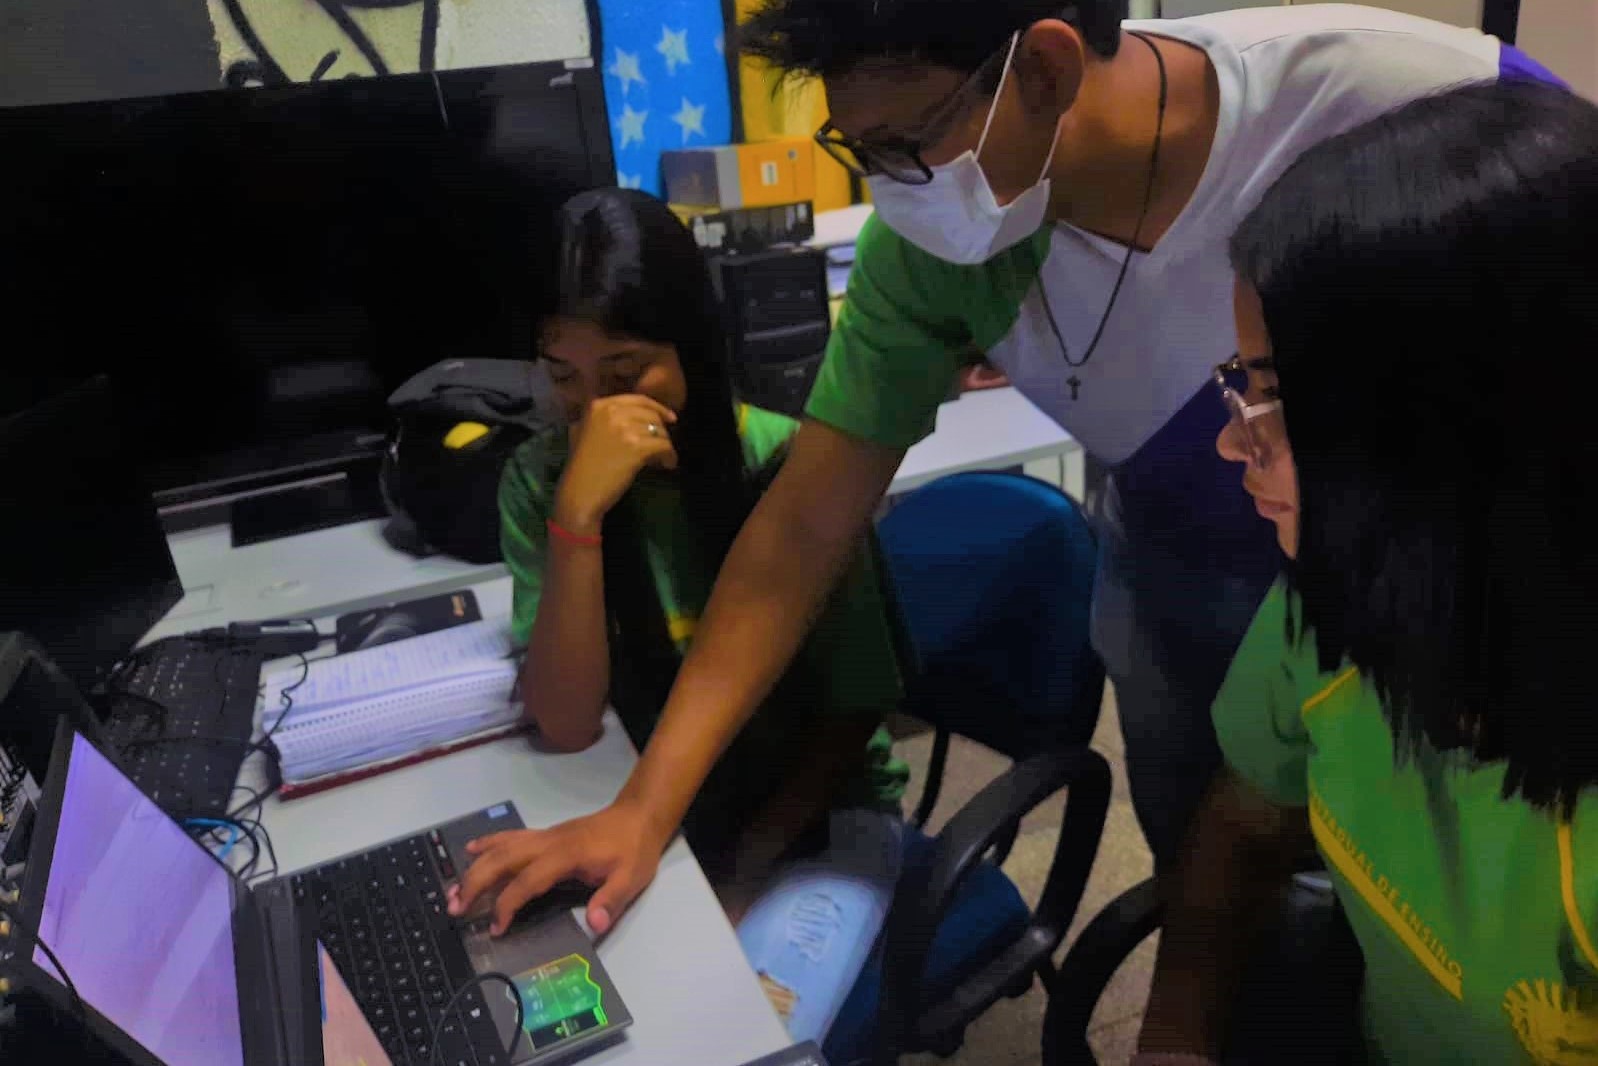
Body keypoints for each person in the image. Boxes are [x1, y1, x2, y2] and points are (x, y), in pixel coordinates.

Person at [464, 2, 1561, 924]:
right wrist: (641, 813)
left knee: (1471, 895)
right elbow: (801, 529)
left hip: (1436, 597)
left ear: (1042, 67)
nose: (891, 190)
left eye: (906, 144)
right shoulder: (930, 251)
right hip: (1183, 568)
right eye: (859, 153)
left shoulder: (1403, 101)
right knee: (1225, 877)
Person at [1138, 79, 1598, 1064]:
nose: (1232, 442)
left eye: (1271, 397)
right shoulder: (1335, 600)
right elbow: (1245, 821)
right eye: (1240, 385)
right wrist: (1173, 1042)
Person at [450, 188, 908, 1043]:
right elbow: (568, 723)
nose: (597, 412)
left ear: (690, 345)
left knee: (734, 1035)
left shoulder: (791, 467)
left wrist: (738, 879)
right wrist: (578, 517)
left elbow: (851, 720)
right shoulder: (542, 480)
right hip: (649, 800)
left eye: (625, 376)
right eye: (564, 378)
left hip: (809, 820)